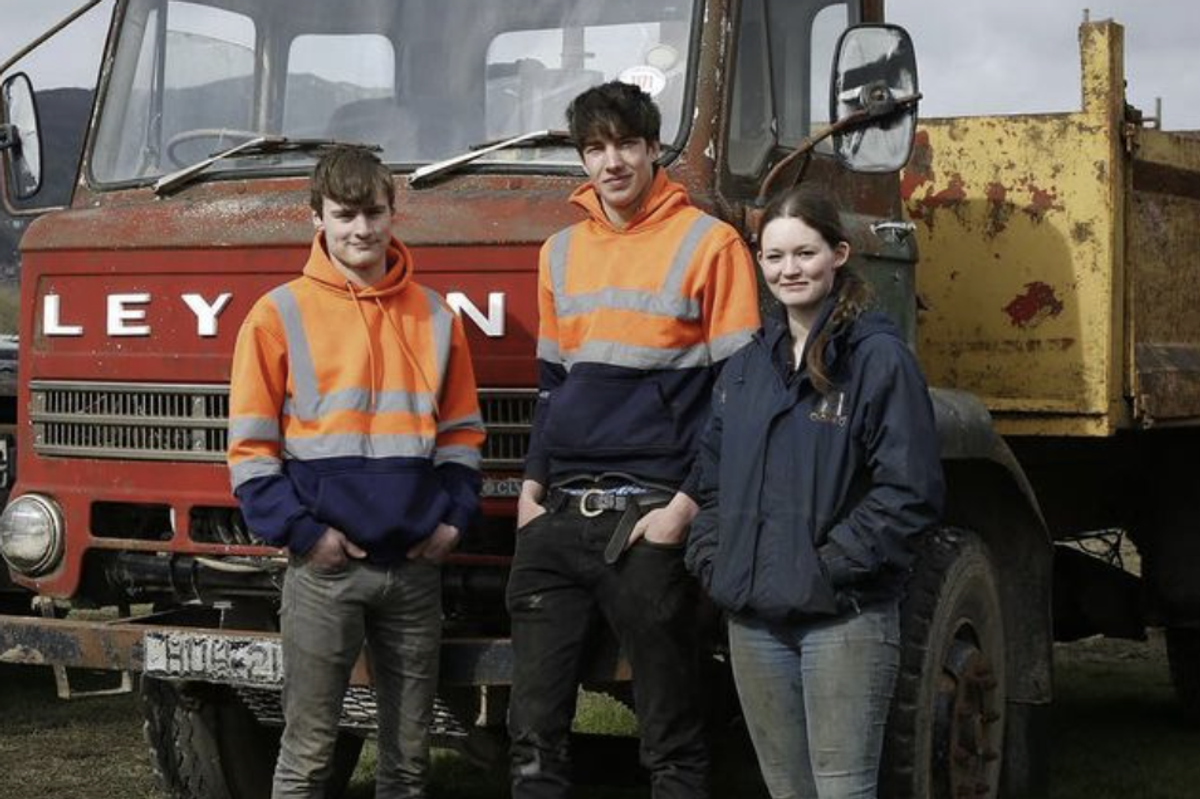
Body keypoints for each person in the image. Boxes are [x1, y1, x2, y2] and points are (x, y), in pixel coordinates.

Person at [506, 80, 761, 799]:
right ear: (582, 159)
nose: (611, 161)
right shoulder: (558, 253)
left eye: (625, 144)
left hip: (650, 520)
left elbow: (737, 396)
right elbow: (553, 386)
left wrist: (682, 509)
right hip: (555, 521)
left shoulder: (710, 245)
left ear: (654, 150)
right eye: (595, 147)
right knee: (532, 736)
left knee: (670, 737)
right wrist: (530, 489)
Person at [226, 145, 484, 799]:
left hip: (415, 568)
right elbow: (250, 453)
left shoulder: (435, 317)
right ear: (317, 217)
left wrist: (453, 521)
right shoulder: (276, 316)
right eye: (344, 214)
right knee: (308, 757)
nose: (361, 229)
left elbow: (460, 436)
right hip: (324, 570)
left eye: (373, 212)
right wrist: (307, 535)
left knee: (409, 763)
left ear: (394, 213)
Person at [684, 186, 945, 799]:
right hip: (753, 622)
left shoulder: (878, 361)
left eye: (805, 253)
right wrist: (717, 561)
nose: (789, 270)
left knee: (843, 791)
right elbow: (711, 479)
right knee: (786, 791)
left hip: (843, 618)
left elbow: (910, 491)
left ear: (839, 254)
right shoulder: (746, 367)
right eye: (774, 257)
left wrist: (824, 569)